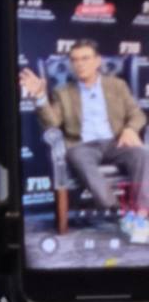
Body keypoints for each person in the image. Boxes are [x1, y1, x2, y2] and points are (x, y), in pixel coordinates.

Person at [21, 39, 149, 228]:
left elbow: (136, 114)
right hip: (83, 145)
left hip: (115, 141)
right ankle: (117, 210)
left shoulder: (117, 85)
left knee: (142, 154)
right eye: (75, 60)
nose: (80, 64)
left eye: (85, 58)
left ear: (97, 61)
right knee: (78, 157)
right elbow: (52, 122)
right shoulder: (62, 92)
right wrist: (40, 97)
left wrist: (130, 129)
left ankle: (141, 214)